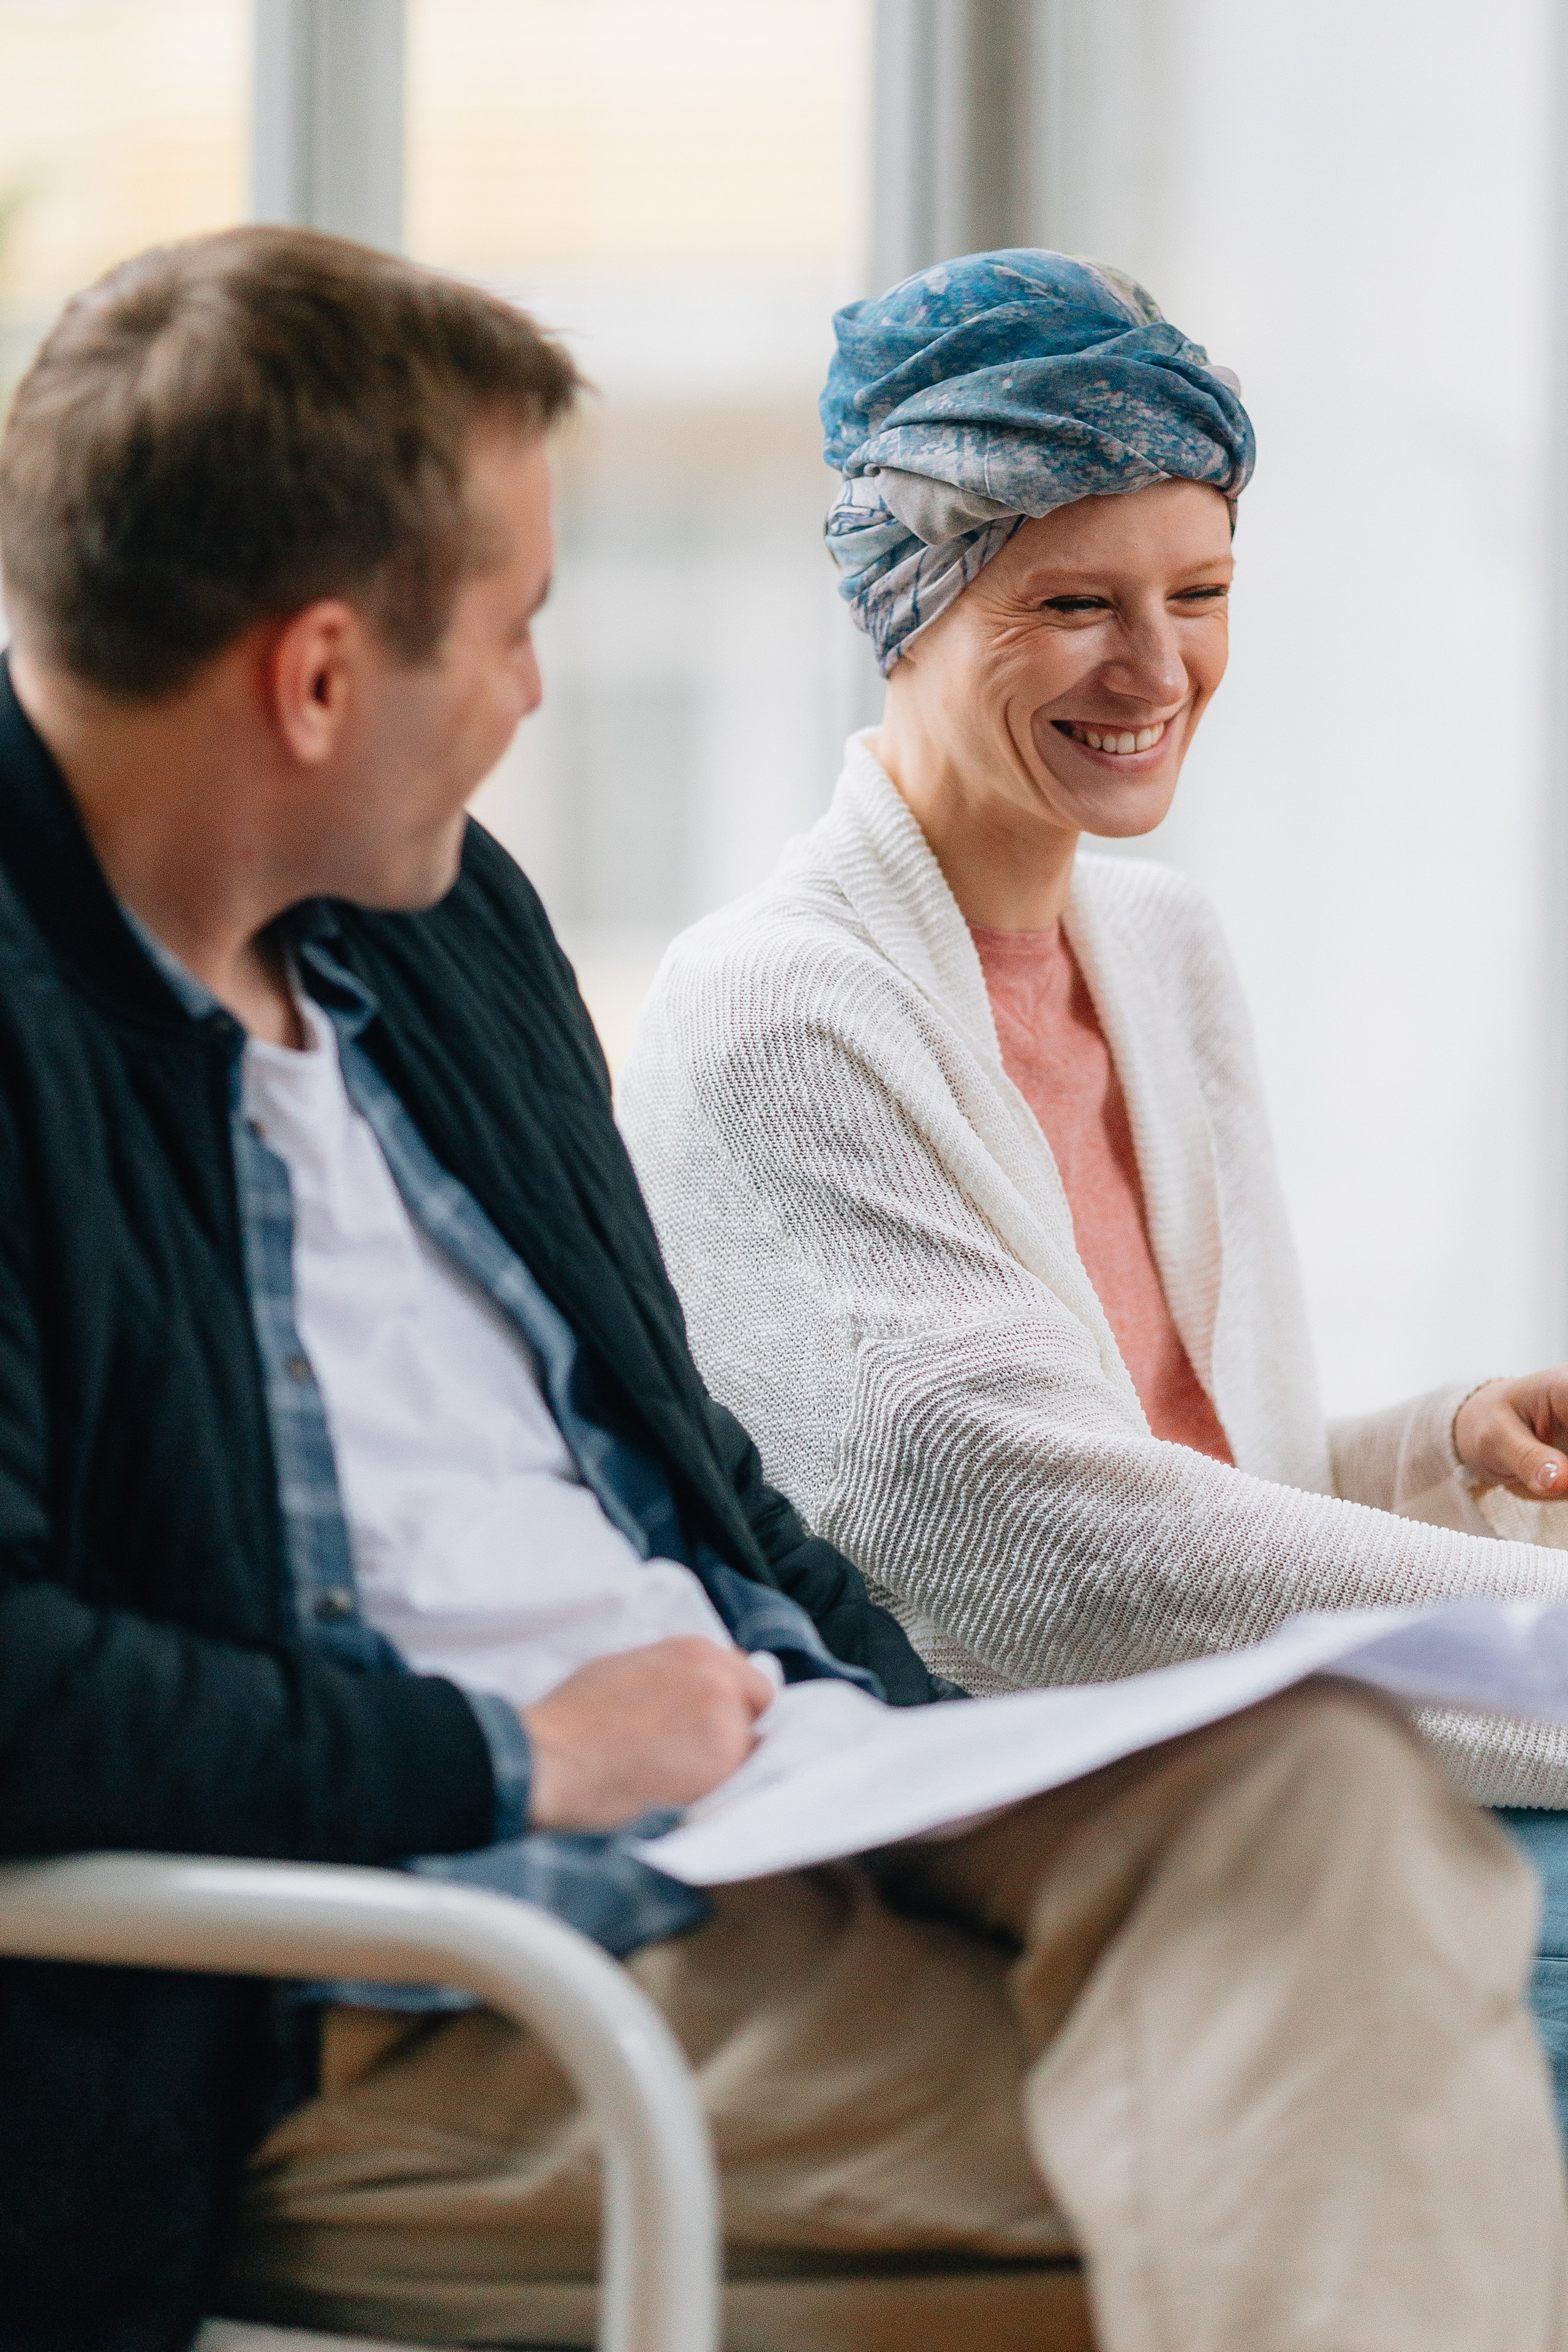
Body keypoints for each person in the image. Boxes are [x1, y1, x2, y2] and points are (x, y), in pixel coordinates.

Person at [0, 230, 1563, 2352]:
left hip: (774, 1801)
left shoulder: (435, 946)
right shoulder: (51, 1043)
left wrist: (901, 1756)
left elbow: (701, 1474)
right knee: (1392, 2095)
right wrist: (506, 1755)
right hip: (422, 1959)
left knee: (1321, 1806)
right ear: (319, 678)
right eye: (522, 628)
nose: (545, 694)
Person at [617, 250, 1568, 2119]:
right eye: (1072, 604)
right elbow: (1019, 1540)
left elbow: (1170, 1460)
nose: (1157, 670)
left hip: (1229, 1752)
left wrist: (1431, 1443)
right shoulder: (773, 1010)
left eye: (1201, 595)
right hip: (1010, 1813)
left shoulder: (1162, 947)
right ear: (905, 606)